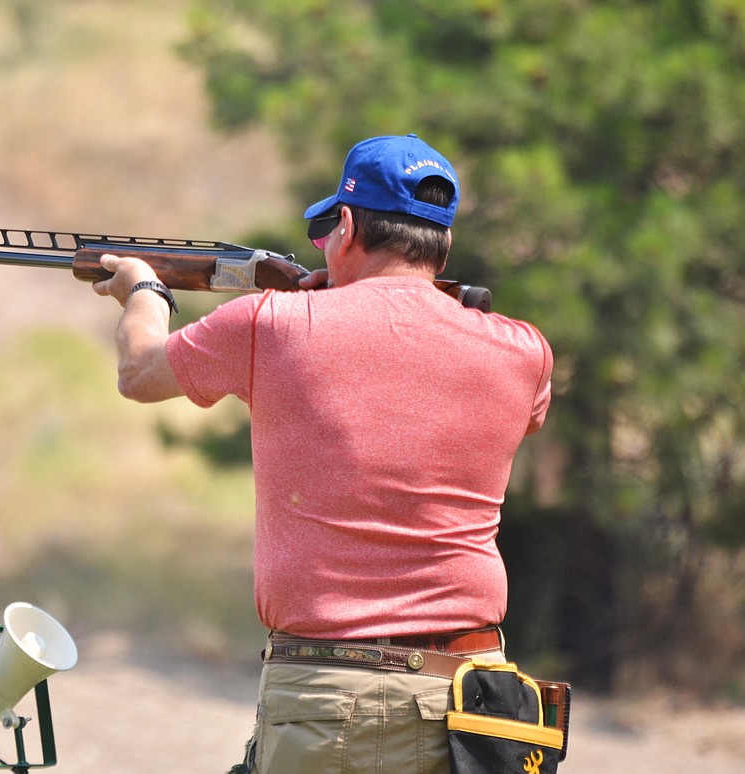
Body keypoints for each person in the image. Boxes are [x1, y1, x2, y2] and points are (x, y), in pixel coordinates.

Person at [92, 134, 553, 774]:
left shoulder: (272, 325)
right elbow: (486, 406)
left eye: (325, 233)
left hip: (332, 698)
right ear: (441, 242)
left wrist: (145, 288)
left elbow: (139, 373)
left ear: (345, 225)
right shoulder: (524, 350)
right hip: (478, 707)